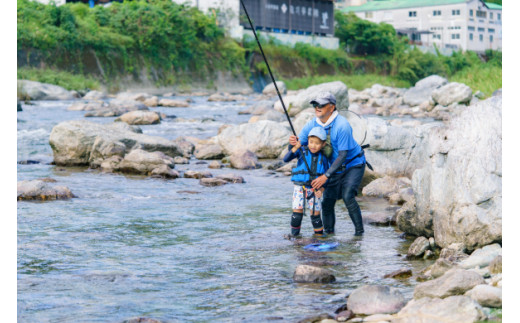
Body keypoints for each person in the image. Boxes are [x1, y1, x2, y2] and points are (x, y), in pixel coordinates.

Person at [289, 92, 367, 236]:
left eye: (321, 105)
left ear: (331, 108)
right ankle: (329, 235)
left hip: (353, 164)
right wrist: (293, 144)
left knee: (348, 195)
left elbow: (343, 155)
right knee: (327, 202)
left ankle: (359, 235)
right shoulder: (311, 125)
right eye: (315, 105)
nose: (317, 108)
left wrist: (325, 176)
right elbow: (297, 148)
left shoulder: (342, 125)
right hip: (332, 168)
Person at [283, 127, 330, 238]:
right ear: (307, 141)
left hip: (314, 189)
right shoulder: (302, 151)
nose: (313, 145)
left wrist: (322, 189)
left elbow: (328, 176)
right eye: (311, 142)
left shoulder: (323, 158)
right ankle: (294, 237)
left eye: (317, 143)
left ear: (323, 144)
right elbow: (286, 159)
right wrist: (295, 148)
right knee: (297, 214)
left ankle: (319, 237)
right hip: (299, 187)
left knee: (315, 215)